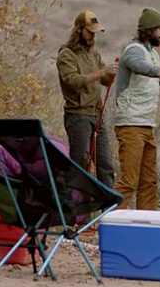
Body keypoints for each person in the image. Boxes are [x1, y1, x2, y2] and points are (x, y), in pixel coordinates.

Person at [112, 7, 160, 210]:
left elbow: (155, 75)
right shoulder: (133, 50)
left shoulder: (154, 54)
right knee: (129, 180)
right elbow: (137, 65)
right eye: (159, 29)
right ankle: (112, 223)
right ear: (149, 30)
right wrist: (158, 72)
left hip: (147, 123)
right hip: (130, 123)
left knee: (149, 180)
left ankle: (147, 223)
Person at [56, 10, 117, 188]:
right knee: (79, 164)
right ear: (78, 30)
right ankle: (76, 209)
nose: (92, 36)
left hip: (96, 114)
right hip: (78, 115)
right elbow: (73, 81)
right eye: (90, 32)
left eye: (95, 32)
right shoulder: (66, 54)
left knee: (105, 164)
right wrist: (102, 72)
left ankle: (109, 210)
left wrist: (112, 73)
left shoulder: (93, 52)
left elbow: (105, 80)